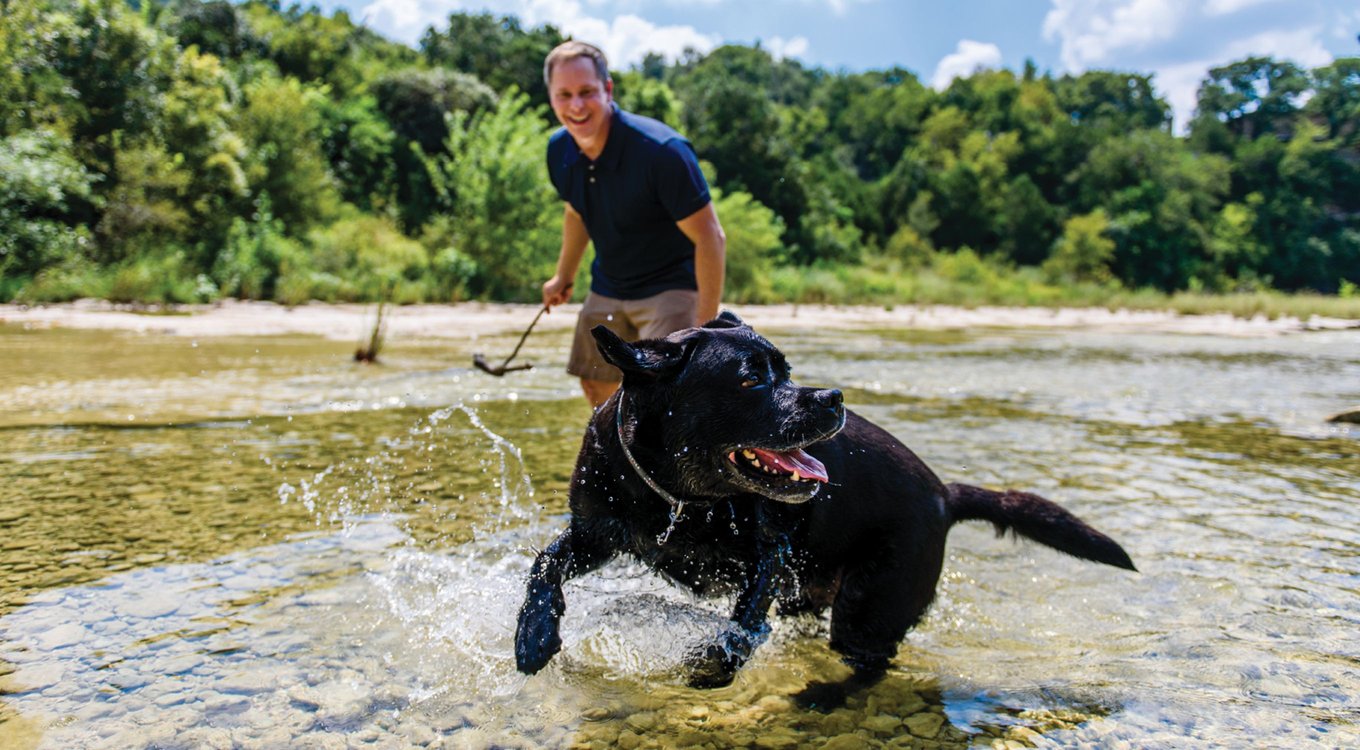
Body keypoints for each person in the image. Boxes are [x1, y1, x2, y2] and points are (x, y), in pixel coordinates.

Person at [540, 41, 727, 408]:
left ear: (608, 90)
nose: (576, 106)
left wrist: (706, 329)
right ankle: (621, 465)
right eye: (564, 95)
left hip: (670, 286)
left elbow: (710, 237)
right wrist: (564, 275)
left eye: (586, 92)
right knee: (596, 386)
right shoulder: (558, 150)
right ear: (551, 98)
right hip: (609, 283)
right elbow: (577, 211)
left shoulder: (662, 152)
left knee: (664, 399)